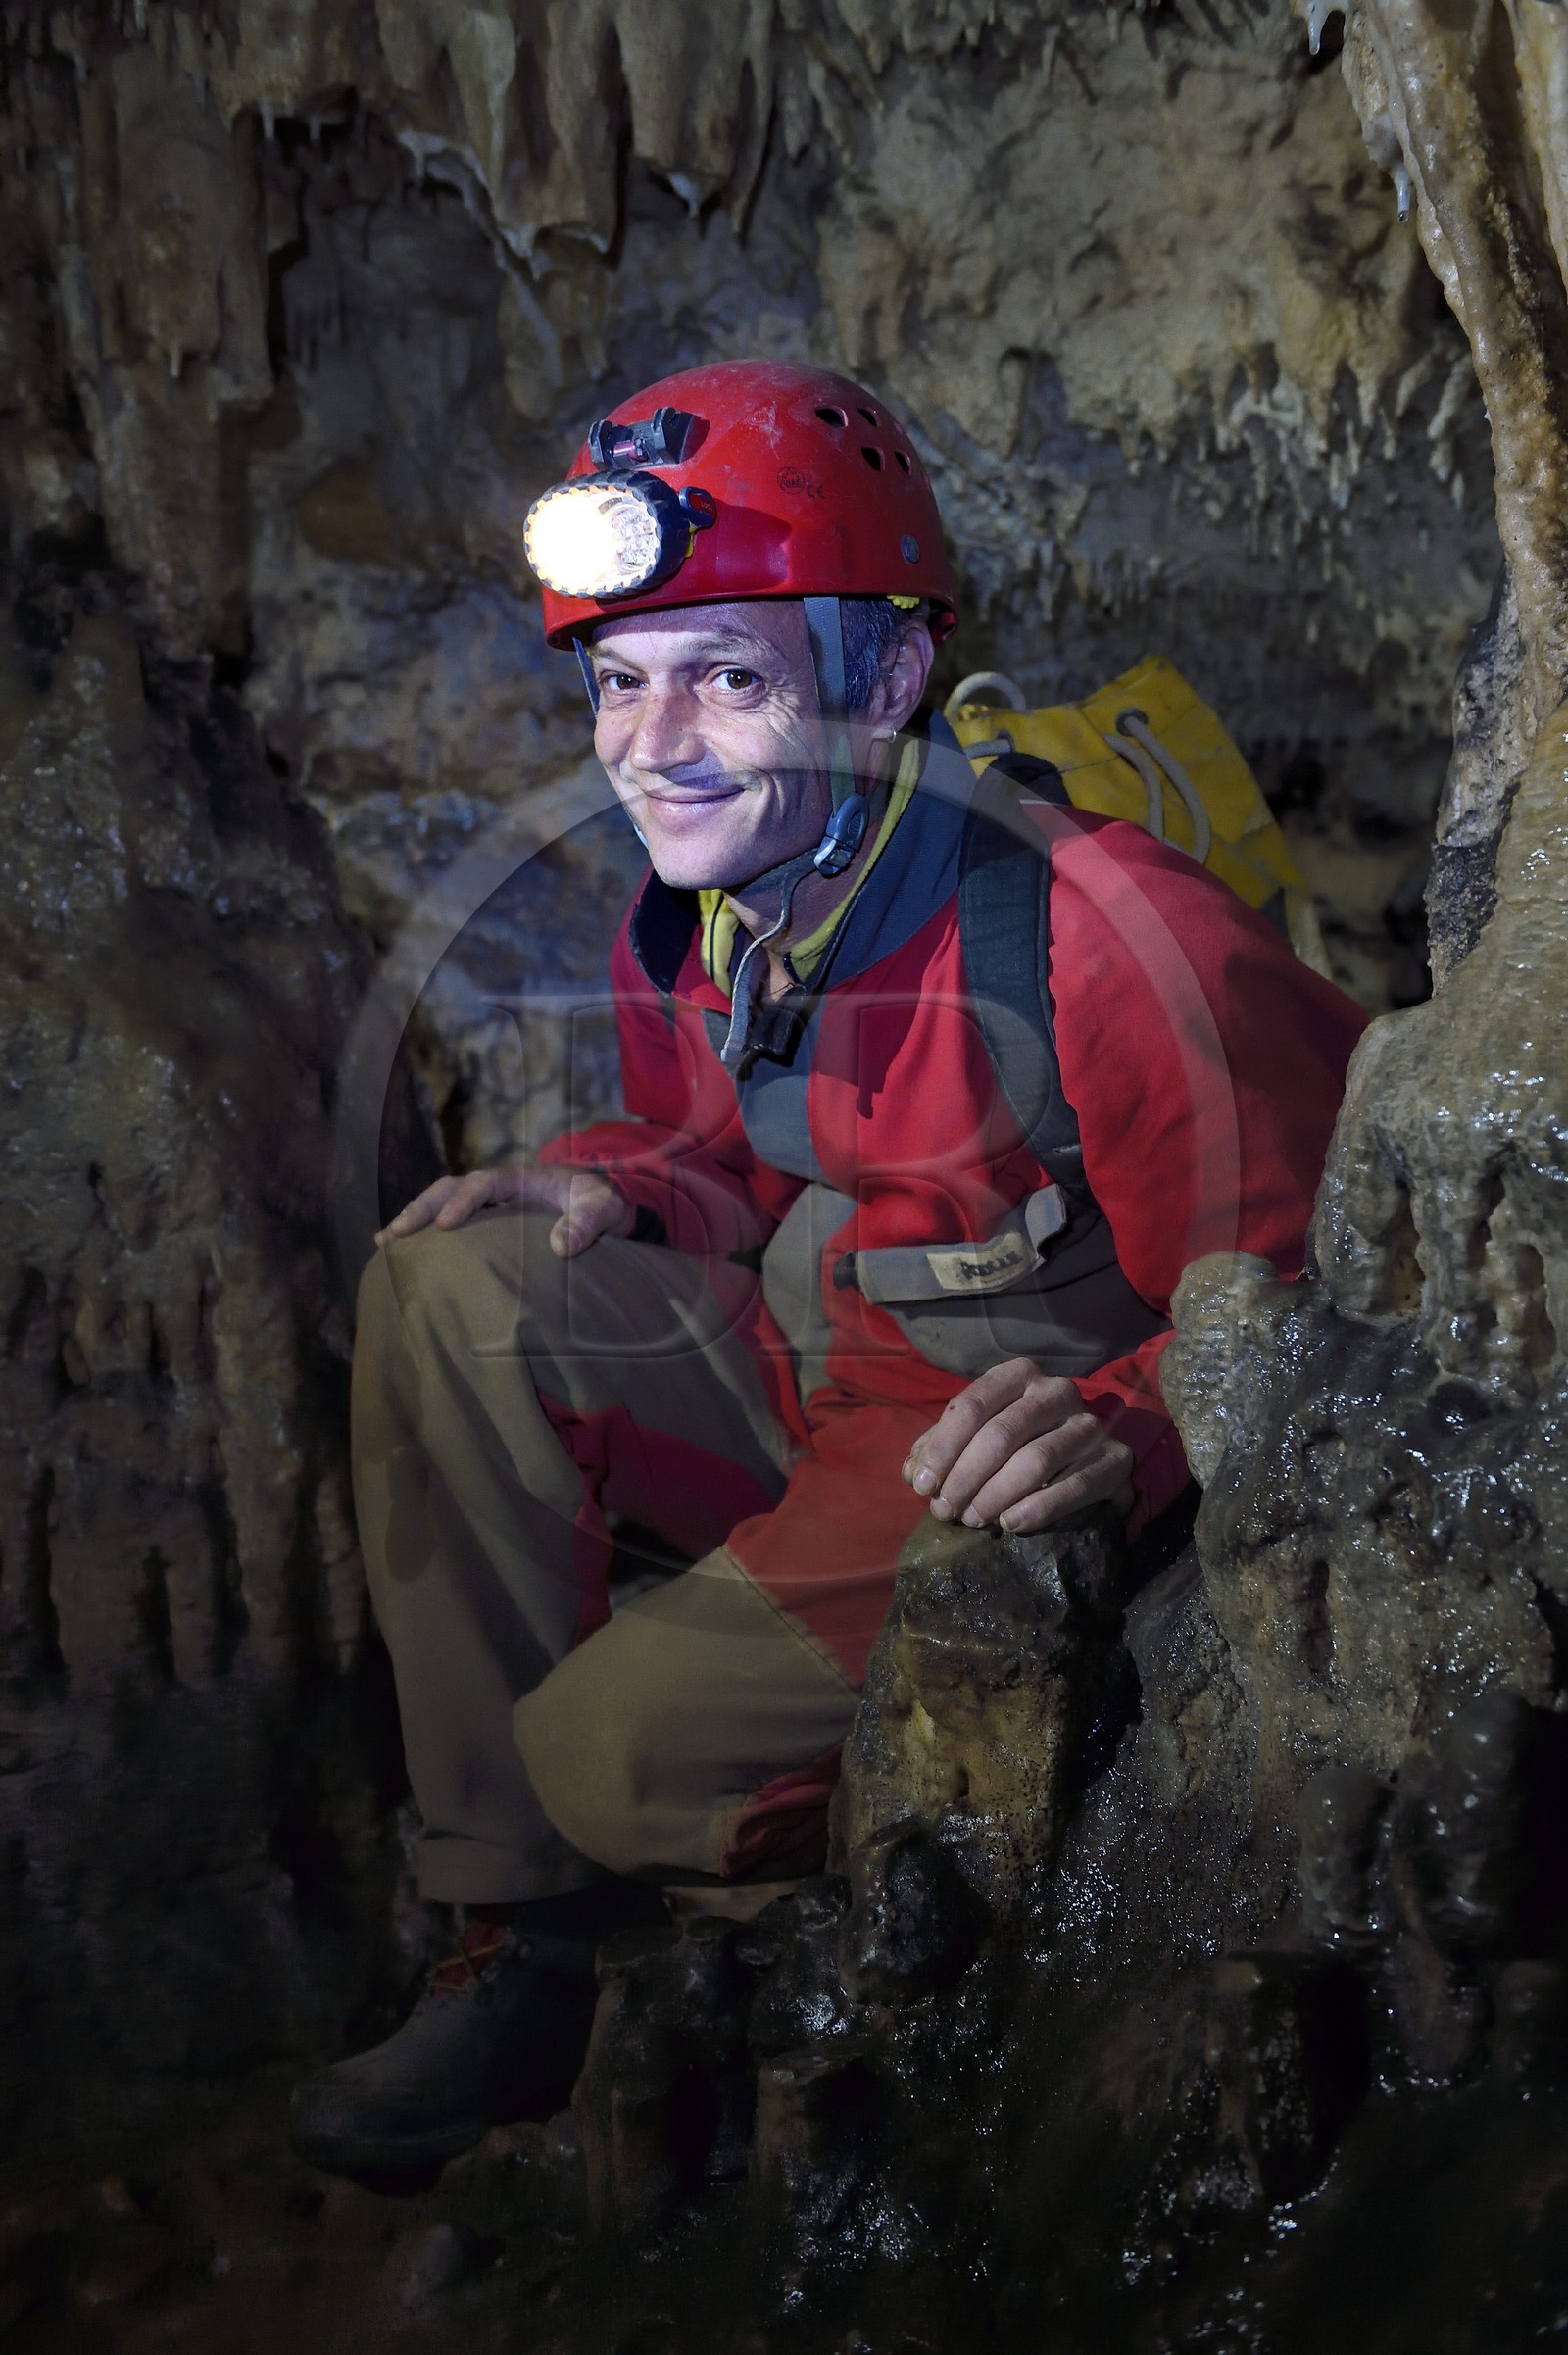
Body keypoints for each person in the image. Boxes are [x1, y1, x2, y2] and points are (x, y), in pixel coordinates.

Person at [290, 360, 1366, 2176]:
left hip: (998, 1463)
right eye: (621, 681)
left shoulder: (1107, 939)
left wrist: (1129, 1433)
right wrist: (612, 1191)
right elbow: (727, 1149)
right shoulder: (706, 918)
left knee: (607, 1757)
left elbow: (1337, 1279)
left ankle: (904, 1885)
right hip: (834, 1381)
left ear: (882, 677)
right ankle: (523, 1950)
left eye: (726, 676)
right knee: (446, 1296)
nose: (652, 741)